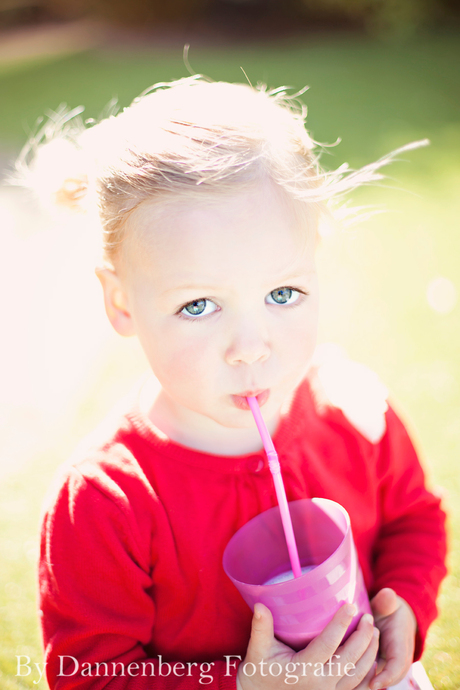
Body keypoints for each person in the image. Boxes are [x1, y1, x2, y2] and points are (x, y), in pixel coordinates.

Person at [26, 76, 447, 690]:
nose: (252, 348)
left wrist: (405, 604)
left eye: (284, 293)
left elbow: (414, 519)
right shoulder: (103, 502)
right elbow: (90, 676)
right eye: (199, 305)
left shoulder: (352, 410)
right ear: (121, 301)